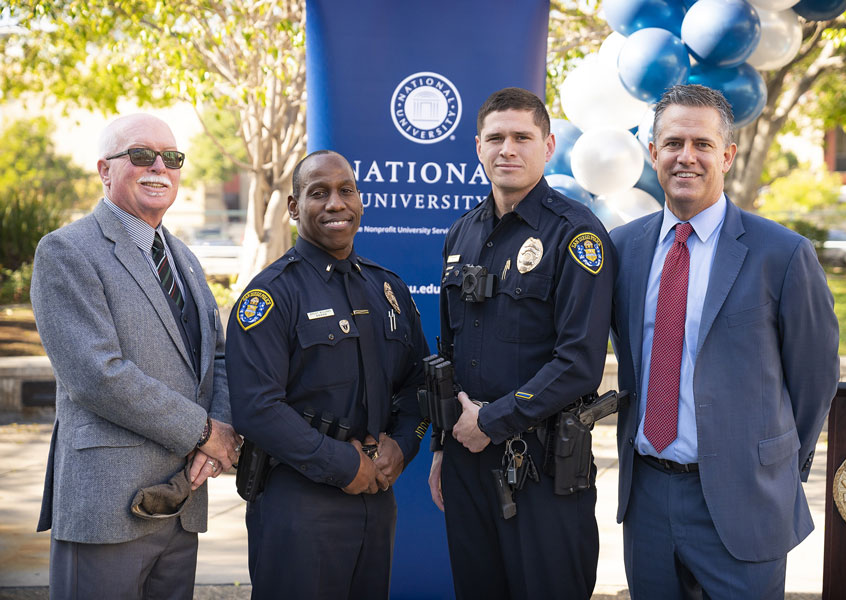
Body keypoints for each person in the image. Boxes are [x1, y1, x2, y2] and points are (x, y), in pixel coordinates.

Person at [609, 84, 840, 599]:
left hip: (745, 503)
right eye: (672, 144)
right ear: (653, 153)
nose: (685, 157)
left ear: (728, 155)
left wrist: (772, 468)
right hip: (646, 499)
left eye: (702, 144)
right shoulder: (622, 250)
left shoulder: (782, 254)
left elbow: (815, 379)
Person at [30, 113, 241, 599]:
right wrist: (207, 433)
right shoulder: (67, 251)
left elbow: (220, 356)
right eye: (141, 156)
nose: (159, 168)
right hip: (108, 507)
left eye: (171, 158)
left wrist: (216, 441)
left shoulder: (184, 256)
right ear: (105, 171)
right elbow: (98, 376)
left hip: (183, 498)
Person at [429, 87, 615, 599]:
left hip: (542, 467)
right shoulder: (461, 233)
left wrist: (490, 421)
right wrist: (444, 446)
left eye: (522, 137)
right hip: (467, 460)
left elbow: (579, 363)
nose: (507, 149)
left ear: (548, 146)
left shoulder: (577, 235)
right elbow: (447, 350)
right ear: (478, 147)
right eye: (496, 138)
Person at [226, 150, 430, 599]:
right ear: (295, 207)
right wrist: (341, 464)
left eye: (346, 190)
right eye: (319, 193)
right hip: (298, 502)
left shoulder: (387, 289)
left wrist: (403, 443)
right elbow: (256, 409)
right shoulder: (270, 296)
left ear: (360, 201)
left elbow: (418, 383)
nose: (335, 203)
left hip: (376, 498)